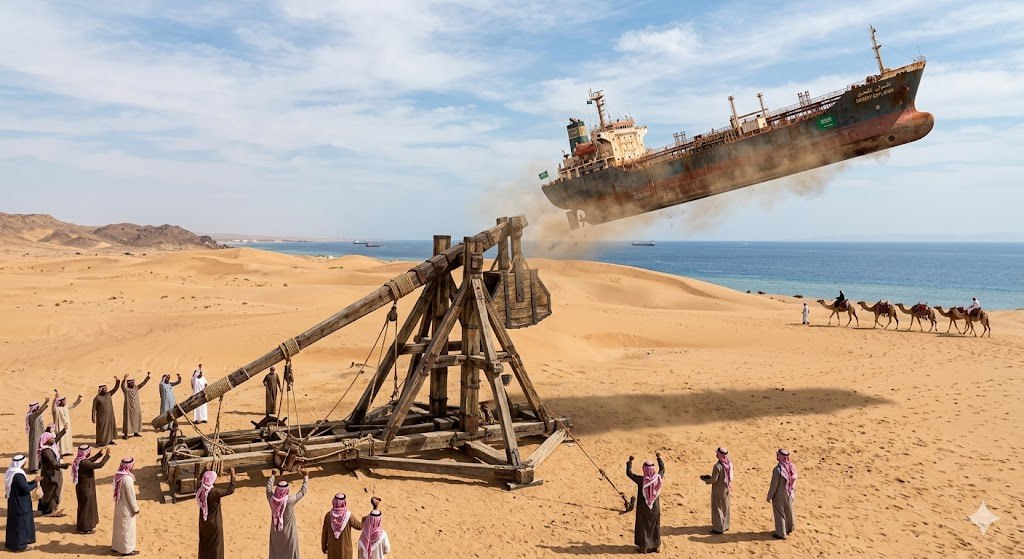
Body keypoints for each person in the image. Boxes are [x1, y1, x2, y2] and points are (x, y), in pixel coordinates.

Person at [626, 453, 664, 554]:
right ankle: (656, 546)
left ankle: (644, 547)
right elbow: (662, 470)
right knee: (655, 526)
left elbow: (629, 473)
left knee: (643, 526)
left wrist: (630, 462)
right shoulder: (658, 478)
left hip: (643, 507)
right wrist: (659, 458)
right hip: (655, 507)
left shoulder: (641, 480)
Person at [267, 469, 309, 559]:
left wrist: (272, 475)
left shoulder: (272, 499)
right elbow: (303, 491)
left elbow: (268, 489)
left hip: (276, 534)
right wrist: (305, 476)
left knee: (276, 552)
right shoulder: (290, 501)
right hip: (289, 533)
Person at [198, 467, 236, 559]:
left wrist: (205, 469)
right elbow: (230, 490)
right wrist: (233, 475)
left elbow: (200, 477)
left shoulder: (200, 489)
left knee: (205, 544)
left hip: (203, 523)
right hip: (214, 523)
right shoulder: (214, 492)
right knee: (216, 546)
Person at [74, 444, 111, 534]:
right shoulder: (84, 463)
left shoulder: (80, 460)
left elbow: (90, 460)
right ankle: (85, 528)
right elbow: (99, 465)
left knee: (83, 507)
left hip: (82, 487)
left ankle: (82, 525)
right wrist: (107, 455)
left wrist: (99, 454)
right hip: (87, 488)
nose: (89, 452)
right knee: (87, 508)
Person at [5, 454, 38, 552]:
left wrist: (32, 482)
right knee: (21, 523)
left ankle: (12, 544)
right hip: (20, 503)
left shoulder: (11, 472)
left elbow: (23, 485)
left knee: (14, 523)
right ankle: (20, 546)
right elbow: (26, 488)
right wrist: (35, 482)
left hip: (13, 501)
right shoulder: (18, 475)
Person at [112, 456, 141, 556]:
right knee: (127, 529)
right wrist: (135, 508)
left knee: (119, 528)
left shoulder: (119, 475)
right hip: (126, 508)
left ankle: (116, 546)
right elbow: (131, 496)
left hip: (119, 507)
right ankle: (127, 550)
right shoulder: (127, 479)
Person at [767, 448, 797, 539]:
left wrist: (769, 496)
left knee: (779, 513)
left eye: (778, 455)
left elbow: (774, 485)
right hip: (789, 492)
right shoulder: (791, 466)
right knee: (789, 510)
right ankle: (789, 528)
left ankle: (781, 533)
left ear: (780, 457)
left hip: (779, 494)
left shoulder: (778, 470)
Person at [38, 429, 69, 516]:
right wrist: (65, 465)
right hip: (50, 476)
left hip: (52, 474)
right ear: (46, 440)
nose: (53, 440)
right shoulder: (47, 452)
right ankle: (50, 511)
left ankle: (51, 509)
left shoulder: (49, 447)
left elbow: (56, 438)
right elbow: (54, 463)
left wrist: (64, 430)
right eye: (51, 439)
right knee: (51, 492)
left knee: (52, 491)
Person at [322, 493, 362, 559]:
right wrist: (366, 519)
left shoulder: (328, 516)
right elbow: (359, 526)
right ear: (344, 502)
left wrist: (324, 547)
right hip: (346, 551)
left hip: (332, 551)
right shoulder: (349, 516)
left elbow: (324, 533)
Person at [702, 447, 732, 534]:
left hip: (718, 489)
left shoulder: (717, 466)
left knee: (717, 507)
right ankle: (725, 525)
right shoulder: (729, 464)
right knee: (725, 506)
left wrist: (706, 480)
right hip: (726, 488)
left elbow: (714, 480)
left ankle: (718, 528)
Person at [52, 392, 83, 456]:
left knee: (67, 439)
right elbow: (53, 407)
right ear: (60, 402)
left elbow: (73, 405)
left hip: (67, 427)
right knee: (61, 439)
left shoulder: (65, 407)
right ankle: (61, 452)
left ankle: (68, 451)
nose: (65, 402)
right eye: (64, 401)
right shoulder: (57, 409)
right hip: (60, 427)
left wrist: (78, 399)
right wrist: (55, 398)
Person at [122, 372, 151, 439]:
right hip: (128, 408)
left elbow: (143, 383)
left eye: (133, 382)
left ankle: (136, 432)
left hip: (136, 407)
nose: (133, 384)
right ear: (128, 384)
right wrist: (124, 379)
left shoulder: (136, 388)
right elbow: (122, 386)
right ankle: (126, 434)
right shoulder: (126, 390)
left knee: (136, 420)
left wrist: (148, 377)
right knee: (128, 420)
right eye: (131, 383)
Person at [92, 380, 122, 446]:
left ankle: (110, 440)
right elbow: (94, 409)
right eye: (104, 389)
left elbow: (115, 389)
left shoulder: (109, 394)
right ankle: (101, 442)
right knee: (102, 430)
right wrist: (93, 418)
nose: (106, 390)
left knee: (110, 428)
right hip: (101, 417)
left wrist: (117, 382)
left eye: (106, 389)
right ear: (101, 390)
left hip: (110, 416)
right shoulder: (97, 398)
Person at [26, 398, 50, 473]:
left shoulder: (38, 416)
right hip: (35, 437)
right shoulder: (31, 416)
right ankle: (33, 468)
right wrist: (45, 403)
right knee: (35, 452)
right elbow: (39, 412)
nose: (38, 408)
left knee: (41, 451)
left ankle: (40, 466)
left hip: (40, 436)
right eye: (37, 407)